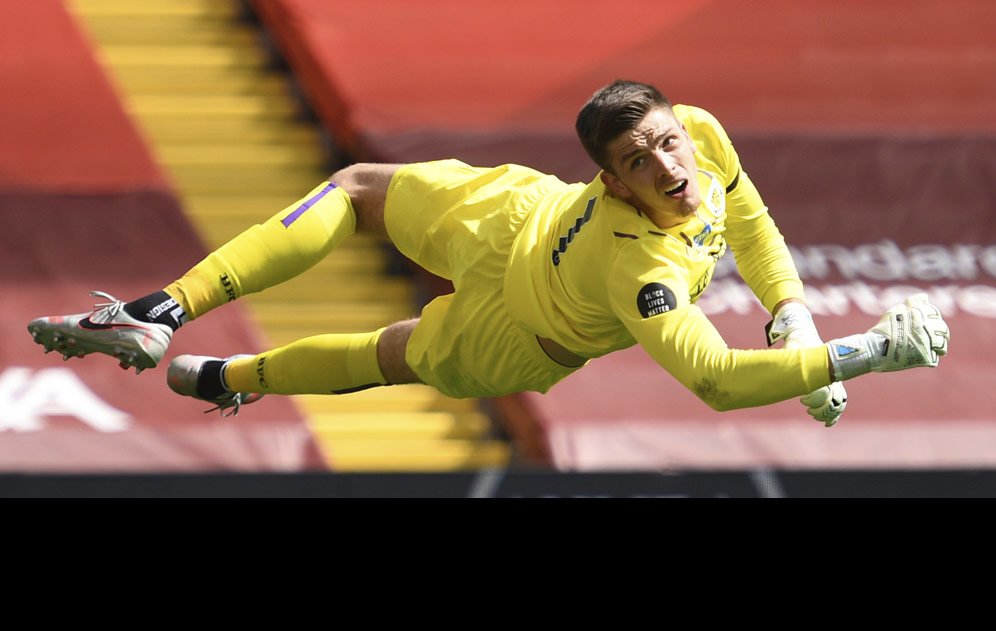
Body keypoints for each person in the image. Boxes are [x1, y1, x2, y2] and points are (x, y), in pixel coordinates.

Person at [27, 80, 949, 422]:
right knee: (357, 210)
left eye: (668, 141)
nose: (672, 164)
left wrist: (795, 316)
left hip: (522, 280)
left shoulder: (699, 140)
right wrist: (867, 352)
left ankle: (210, 354)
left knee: (380, 322)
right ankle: (183, 332)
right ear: (612, 181)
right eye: (640, 160)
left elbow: (748, 226)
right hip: (526, 254)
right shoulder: (641, 266)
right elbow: (716, 381)